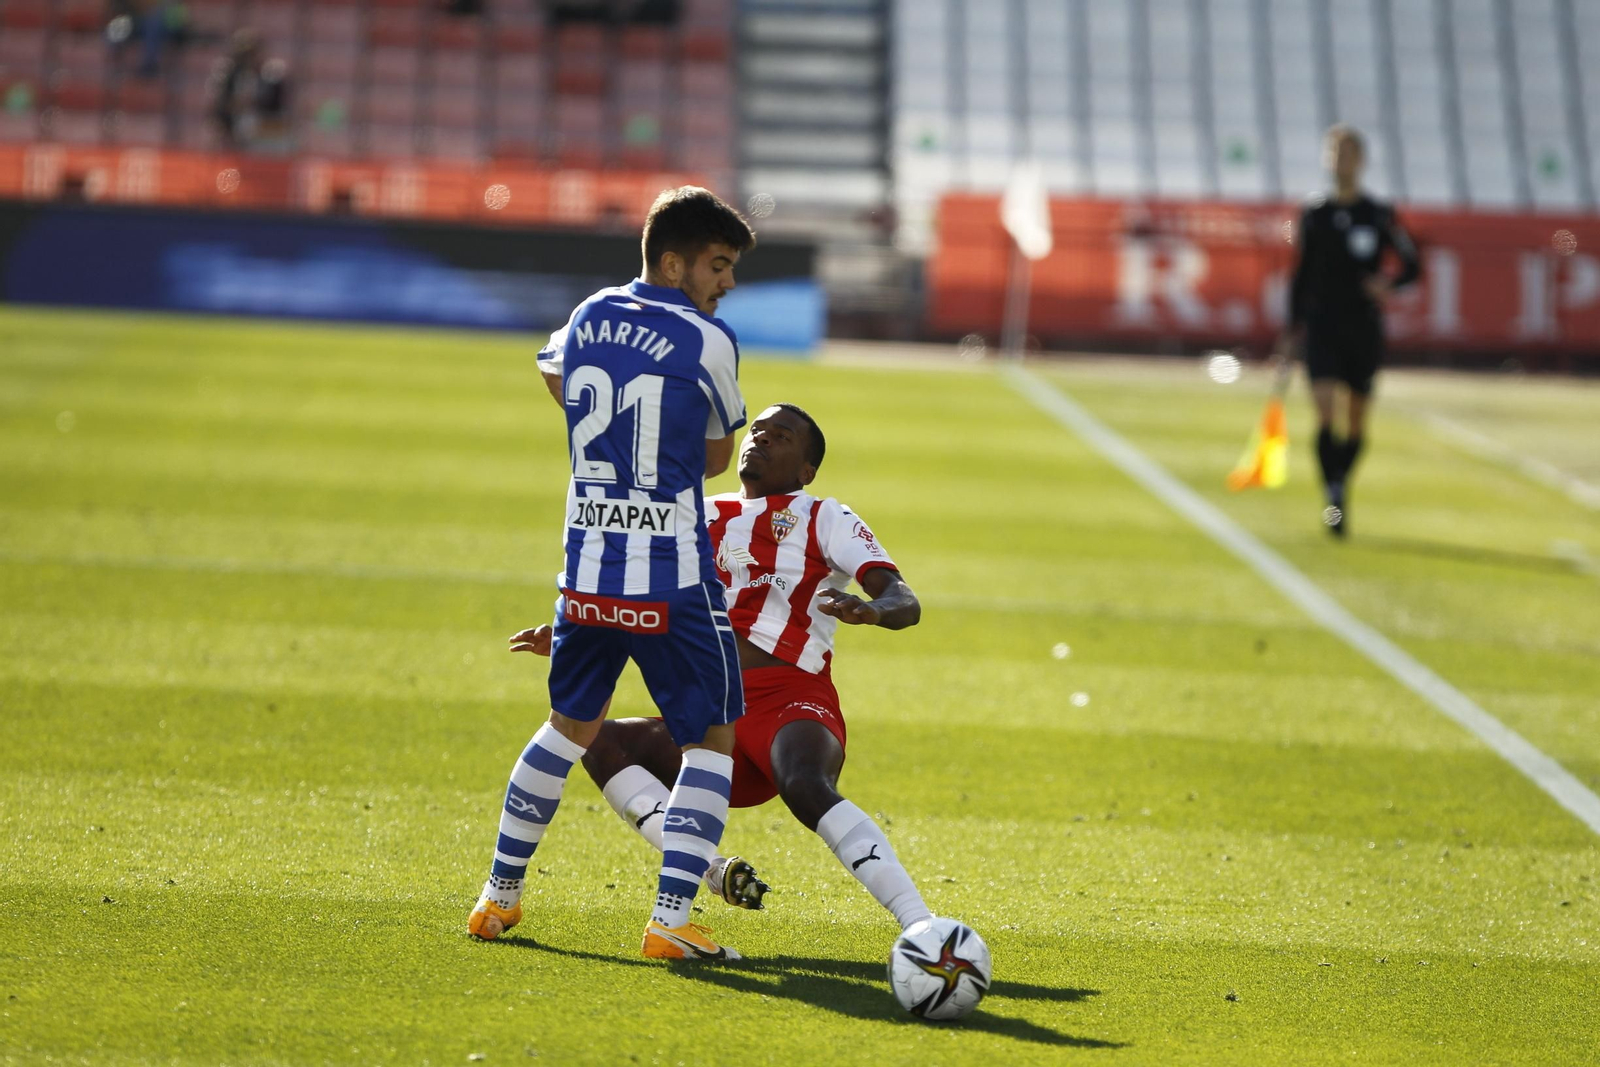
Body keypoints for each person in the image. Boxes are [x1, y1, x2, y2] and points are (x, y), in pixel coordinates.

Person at [510, 403, 935, 934]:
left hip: (787, 695)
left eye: (780, 437)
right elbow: (632, 591)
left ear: (807, 471)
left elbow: (903, 598)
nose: (759, 440)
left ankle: (921, 923)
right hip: (708, 706)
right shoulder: (695, 512)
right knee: (597, 740)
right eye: (756, 430)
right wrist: (578, 632)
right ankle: (709, 870)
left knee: (805, 784)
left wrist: (873, 610)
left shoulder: (827, 517)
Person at [468, 186, 757, 961]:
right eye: (718, 265)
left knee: (568, 727)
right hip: (670, 572)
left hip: (586, 566)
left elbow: (553, 374)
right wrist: (658, 445)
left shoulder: (591, 312)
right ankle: (670, 917)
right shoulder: (708, 337)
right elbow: (722, 455)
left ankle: (497, 897)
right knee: (713, 738)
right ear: (673, 261)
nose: (726, 283)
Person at [1283, 123, 1421, 537]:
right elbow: (1301, 274)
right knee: (1325, 413)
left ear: (1359, 161)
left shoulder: (1378, 214)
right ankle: (1334, 494)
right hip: (1322, 325)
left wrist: (1389, 285)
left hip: (1362, 328)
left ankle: (1341, 481)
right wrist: (1292, 328)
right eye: (1332, 152)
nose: (1337, 160)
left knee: (1356, 422)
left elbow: (1413, 264)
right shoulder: (1313, 213)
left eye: (1345, 152)